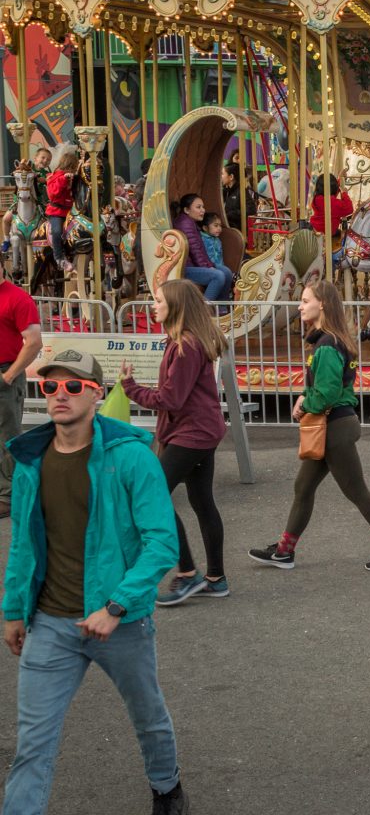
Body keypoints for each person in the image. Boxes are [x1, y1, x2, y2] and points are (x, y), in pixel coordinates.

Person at [1, 348, 188, 814]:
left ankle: (167, 788)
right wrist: (12, 610)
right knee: (32, 747)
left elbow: (162, 543)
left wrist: (116, 606)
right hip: (49, 624)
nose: (58, 396)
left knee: (148, 720)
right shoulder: (31, 461)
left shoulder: (131, 458)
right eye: (49, 387)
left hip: (120, 623)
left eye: (72, 387)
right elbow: (23, 543)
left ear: (97, 394)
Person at [248, 281, 370, 572]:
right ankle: (285, 551)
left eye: (305, 300)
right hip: (335, 424)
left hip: (334, 426)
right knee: (303, 487)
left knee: (355, 489)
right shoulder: (334, 341)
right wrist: (307, 397)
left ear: (321, 304)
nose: (299, 305)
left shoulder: (326, 346)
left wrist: (304, 405)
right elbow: (327, 387)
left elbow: (328, 392)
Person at [119, 280, 229, 607]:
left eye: (158, 301)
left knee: (155, 496)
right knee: (201, 500)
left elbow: (171, 398)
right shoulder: (183, 343)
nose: (153, 306)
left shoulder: (185, 346)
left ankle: (187, 573)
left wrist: (131, 388)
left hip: (192, 432)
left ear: (175, 306)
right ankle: (215, 578)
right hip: (199, 430)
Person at [0, 276, 42, 520]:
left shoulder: (16, 297)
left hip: (6, 373)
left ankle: (9, 496)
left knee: (7, 438)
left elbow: (34, 342)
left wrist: (8, 376)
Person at [171, 194, 235, 301]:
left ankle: (222, 307)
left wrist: (208, 264)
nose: (203, 210)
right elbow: (195, 250)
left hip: (194, 264)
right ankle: (203, 310)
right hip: (185, 267)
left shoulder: (191, 223)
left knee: (226, 272)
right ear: (187, 210)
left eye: (203, 207)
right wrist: (207, 267)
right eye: (198, 207)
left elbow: (200, 251)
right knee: (217, 276)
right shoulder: (185, 224)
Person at [43, 147, 78, 274]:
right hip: (57, 211)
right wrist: (64, 179)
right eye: (73, 167)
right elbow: (53, 194)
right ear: (68, 166)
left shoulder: (73, 177)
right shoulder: (54, 177)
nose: (74, 171)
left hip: (71, 211)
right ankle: (59, 258)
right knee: (57, 231)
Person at [307, 174, 355, 243]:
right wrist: (344, 194)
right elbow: (349, 208)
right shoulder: (332, 203)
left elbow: (331, 196)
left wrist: (340, 179)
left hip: (314, 228)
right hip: (325, 233)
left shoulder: (317, 198)